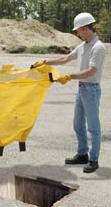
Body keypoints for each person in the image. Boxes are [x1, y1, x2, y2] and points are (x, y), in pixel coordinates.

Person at [31, 12, 105, 173]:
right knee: (78, 124)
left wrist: (69, 76)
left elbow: (91, 71)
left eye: (78, 30)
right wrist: (45, 62)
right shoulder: (83, 45)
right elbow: (65, 59)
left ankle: (93, 160)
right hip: (82, 89)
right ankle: (82, 154)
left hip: (91, 89)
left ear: (86, 28)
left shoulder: (98, 47)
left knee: (93, 128)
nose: (77, 33)